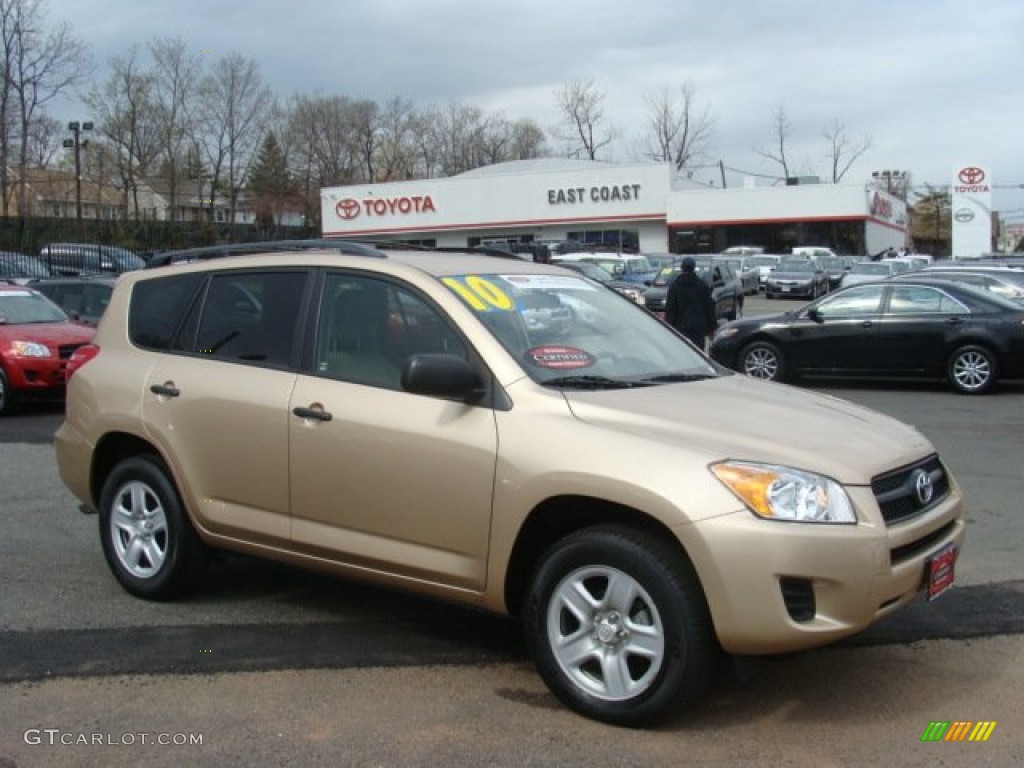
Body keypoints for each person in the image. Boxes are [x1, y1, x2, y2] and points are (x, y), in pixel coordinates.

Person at [665, 256, 717, 351]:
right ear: (694, 267)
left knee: (682, 351)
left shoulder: (674, 286)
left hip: (680, 327)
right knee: (698, 352)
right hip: (698, 327)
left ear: (682, 268)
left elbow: (670, 308)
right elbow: (709, 307)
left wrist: (668, 326)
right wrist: (712, 327)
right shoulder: (702, 285)